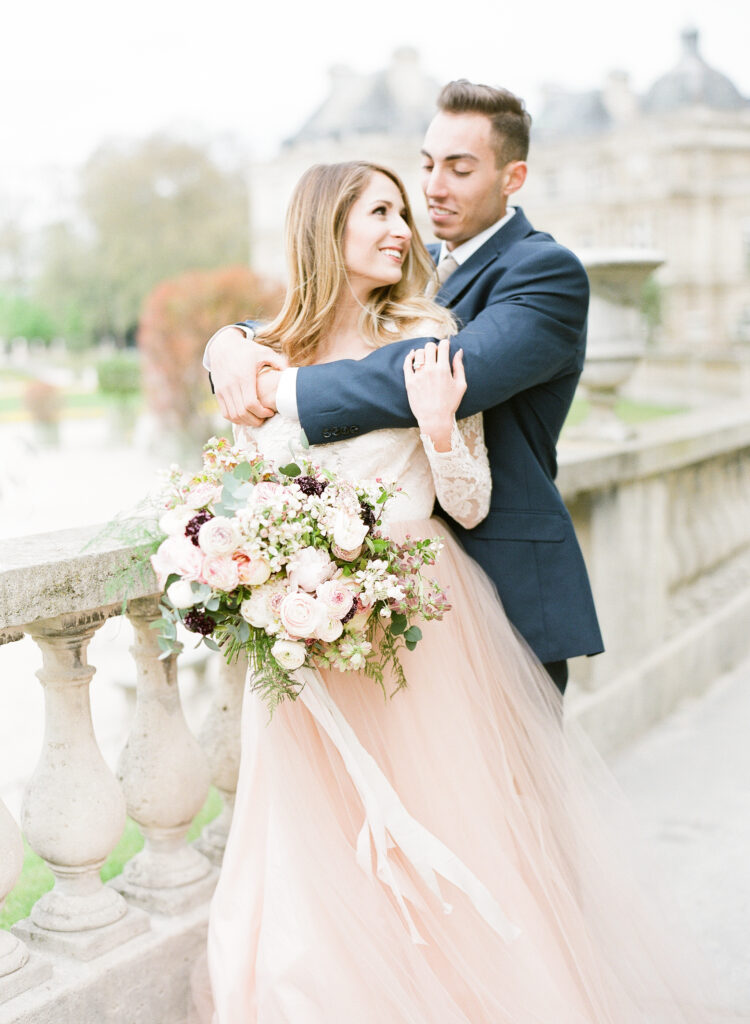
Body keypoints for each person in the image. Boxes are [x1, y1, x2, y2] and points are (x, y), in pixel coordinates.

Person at [201, 159, 723, 1024]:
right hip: (300, 634)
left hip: (419, 620)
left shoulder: (433, 333)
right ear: (325, 225)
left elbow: (469, 500)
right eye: (380, 211)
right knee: (310, 843)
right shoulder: (256, 357)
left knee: (442, 824)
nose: (403, 227)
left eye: (405, 212)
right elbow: (246, 492)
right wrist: (250, 564)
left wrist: (440, 427)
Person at [204, 80, 604, 696]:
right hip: (366, 600)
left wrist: (278, 387)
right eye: (427, 164)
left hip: (503, 582)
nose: (434, 187)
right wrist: (229, 341)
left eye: (460, 168)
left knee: (498, 792)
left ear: (512, 177)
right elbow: (334, 320)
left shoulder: (545, 271)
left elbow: (422, 371)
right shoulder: (412, 265)